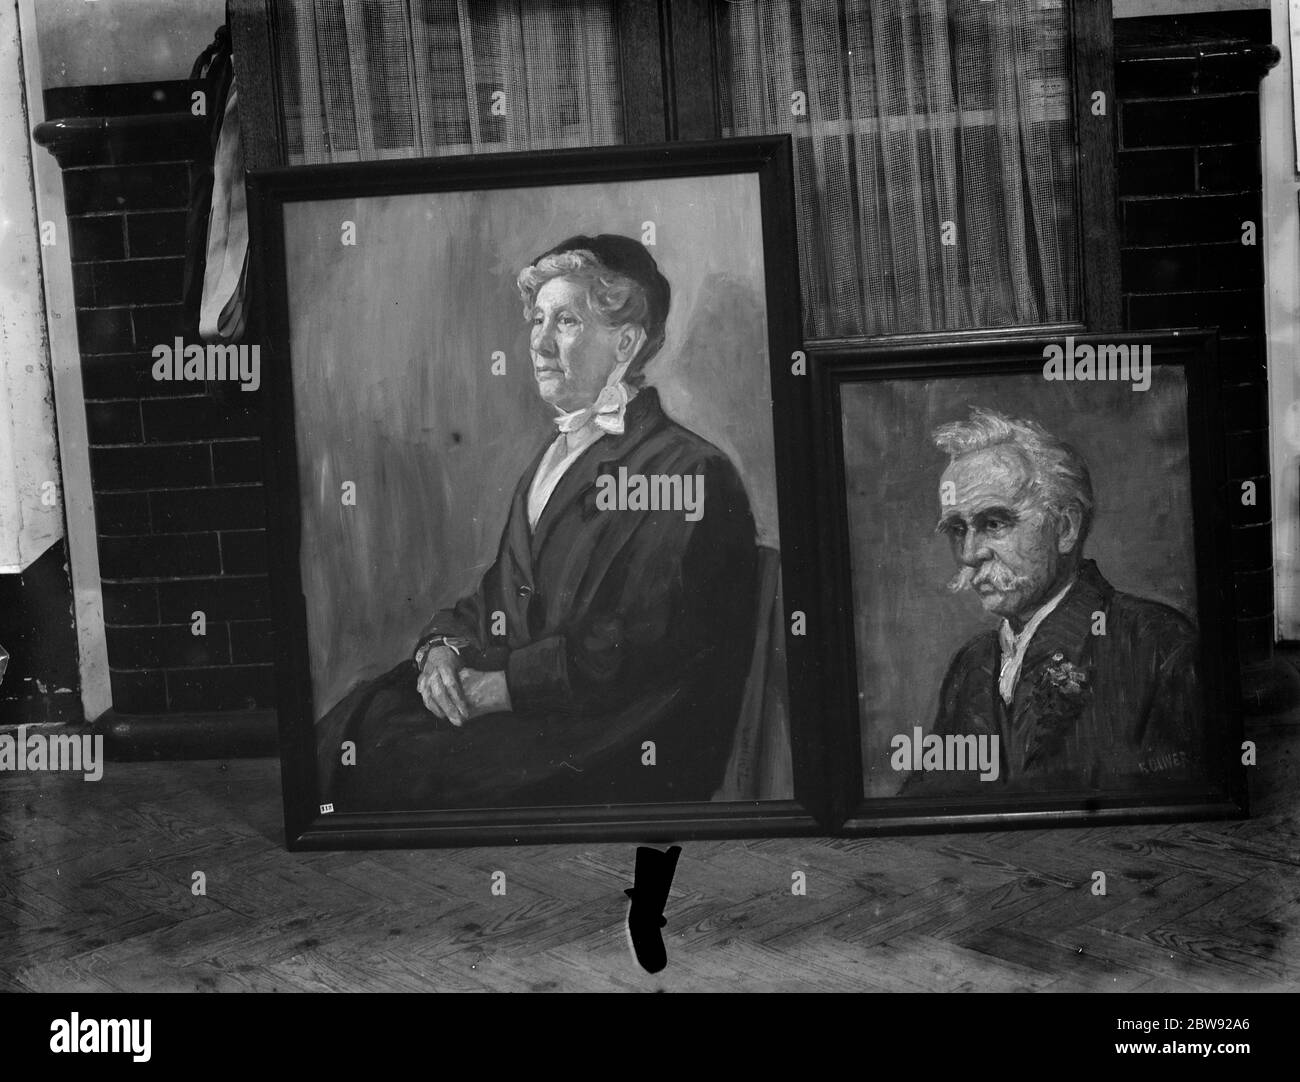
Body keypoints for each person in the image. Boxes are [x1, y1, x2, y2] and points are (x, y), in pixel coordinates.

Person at [316, 234, 759, 810]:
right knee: (364, 715)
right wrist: (443, 649)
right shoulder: (552, 457)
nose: (541, 345)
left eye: (567, 322)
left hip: (615, 733)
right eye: (538, 321)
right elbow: (500, 596)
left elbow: (641, 638)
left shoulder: (688, 469)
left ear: (625, 342)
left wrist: (505, 687)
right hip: (538, 708)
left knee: (401, 764)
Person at [916, 407, 1200, 792]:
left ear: (1065, 527)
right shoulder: (971, 664)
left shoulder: (1158, 644)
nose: (969, 553)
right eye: (956, 529)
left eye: (994, 524)